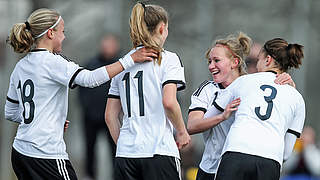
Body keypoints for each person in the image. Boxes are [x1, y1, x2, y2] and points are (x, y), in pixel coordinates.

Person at [4, 8, 157, 180]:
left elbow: (11, 112)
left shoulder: (20, 66)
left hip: (20, 152)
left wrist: (42, 120)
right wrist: (130, 59)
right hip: (44, 153)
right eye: (62, 31)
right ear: (50, 33)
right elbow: (90, 79)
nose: (64, 36)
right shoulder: (54, 62)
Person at [187, 33, 296, 180]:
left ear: (235, 62)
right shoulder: (208, 89)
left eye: (216, 60)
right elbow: (192, 125)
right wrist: (221, 116)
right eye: (209, 61)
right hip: (211, 168)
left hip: (245, 166)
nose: (211, 66)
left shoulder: (252, 86)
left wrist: (288, 83)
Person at [105, 2, 190, 180]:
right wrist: (182, 131)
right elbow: (169, 102)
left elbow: (110, 116)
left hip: (126, 155)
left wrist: (123, 145)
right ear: (161, 28)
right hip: (159, 151)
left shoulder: (123, 64)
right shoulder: (168, 59)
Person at [78, 34, 121, 180]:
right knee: (90, 148)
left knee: (116, 148)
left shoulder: (121, 66)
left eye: (110, 45)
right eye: (105, 45)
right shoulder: (90, 64)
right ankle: (89, 176)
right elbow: (81, 89)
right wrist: (87, 107)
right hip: (91, 117)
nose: (107, 48)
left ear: (115, 47)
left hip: (112, 117)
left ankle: (117, 175)